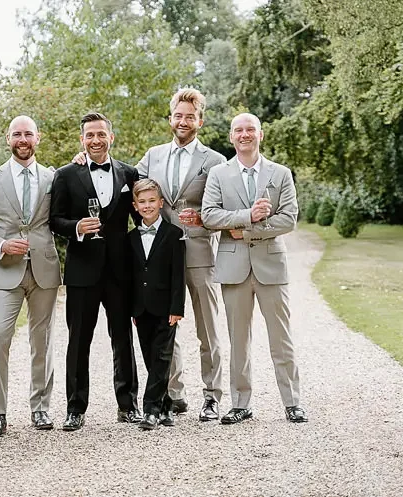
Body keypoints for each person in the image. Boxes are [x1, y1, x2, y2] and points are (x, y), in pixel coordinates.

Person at [199, 113, 306, 424]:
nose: (244, 135)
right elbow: (210, 216)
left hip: (271, 265)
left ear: (261, 135)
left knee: (281, 337)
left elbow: (289, 219)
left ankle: (292, 402)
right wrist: (248, 214)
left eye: (250, 130)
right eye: (238, 130)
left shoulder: (280, 173)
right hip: (234, 268)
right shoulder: (219, 174)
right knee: (238, 339)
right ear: (231, 137)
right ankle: (240, 404)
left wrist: (248, 231)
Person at [135, 88, 228, 421]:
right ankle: (174, 393)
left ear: (199, 120)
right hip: (161, 253)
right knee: (165, 325)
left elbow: (226, 209)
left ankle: (212, 395)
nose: (183, 121)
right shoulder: (153, 156)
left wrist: (204, 217)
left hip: (201, 251)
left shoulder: (215, 161)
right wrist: (82, 161)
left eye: (190, 116)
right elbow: (127, 184)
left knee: (208, 328)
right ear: (170, 118)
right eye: (178, 115)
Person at [49, 112, 143, 430]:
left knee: (123, 338)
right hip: (82, 271)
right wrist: (76, 226)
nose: (95, 140)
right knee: (79, 341)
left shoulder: (129, 174)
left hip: (120, 271)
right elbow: (54, 220)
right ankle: (75, 408)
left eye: (101, 134)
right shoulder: (65, 175)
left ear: (111, 137)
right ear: (82, 140)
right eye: (89, 135)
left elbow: (143, 215)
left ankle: (128, 405)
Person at [0, 116, 61, 437]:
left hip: (44, 271)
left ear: (38, 138)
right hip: (5, 272)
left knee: (43, 341)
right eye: (17, 134)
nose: (23, 139)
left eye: (29, 134)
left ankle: (40, 408)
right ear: (8, 139)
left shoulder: (53, 178)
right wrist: (1, 244)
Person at [127, 179, 187, 430]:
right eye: (142, 202)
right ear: (135, 205)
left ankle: (150, 409)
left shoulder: (174, 235)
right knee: (150, 356)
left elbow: (178, 275)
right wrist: (132, 308)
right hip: (141, 308)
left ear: (161, 203)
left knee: (162, 356)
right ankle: (165, 405)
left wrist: (177, 308)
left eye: (152, 201)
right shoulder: (130, 238)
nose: (148, 205)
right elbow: (130, 276)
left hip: (165, 308)